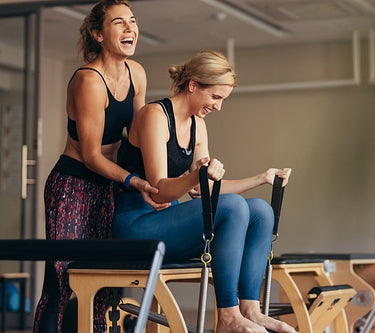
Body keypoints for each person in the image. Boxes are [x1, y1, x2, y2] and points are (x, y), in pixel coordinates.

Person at [112, 50, 296, 333]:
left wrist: (262, 178)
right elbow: (159, 190)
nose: (218, 107)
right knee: (233, 206)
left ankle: (250, 310)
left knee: (260, 210)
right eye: (216, 97)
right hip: (137, 226)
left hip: (167, 225)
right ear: (194, 85)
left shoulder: (198, 125)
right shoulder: (155, 116)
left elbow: (205, 189)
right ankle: (227, 316)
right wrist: (196, 174)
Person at [33, 1, 167, 332]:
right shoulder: (88, 80)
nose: (129, 28)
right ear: (98, 34)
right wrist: (136, 182)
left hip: (109, 183)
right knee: (63, 283)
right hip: (73, 183)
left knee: (101, 281)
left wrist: (167, 177)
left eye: (132, 22)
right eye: (118, 23)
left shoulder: (137, 73)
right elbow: (92, 155)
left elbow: (138, 135)